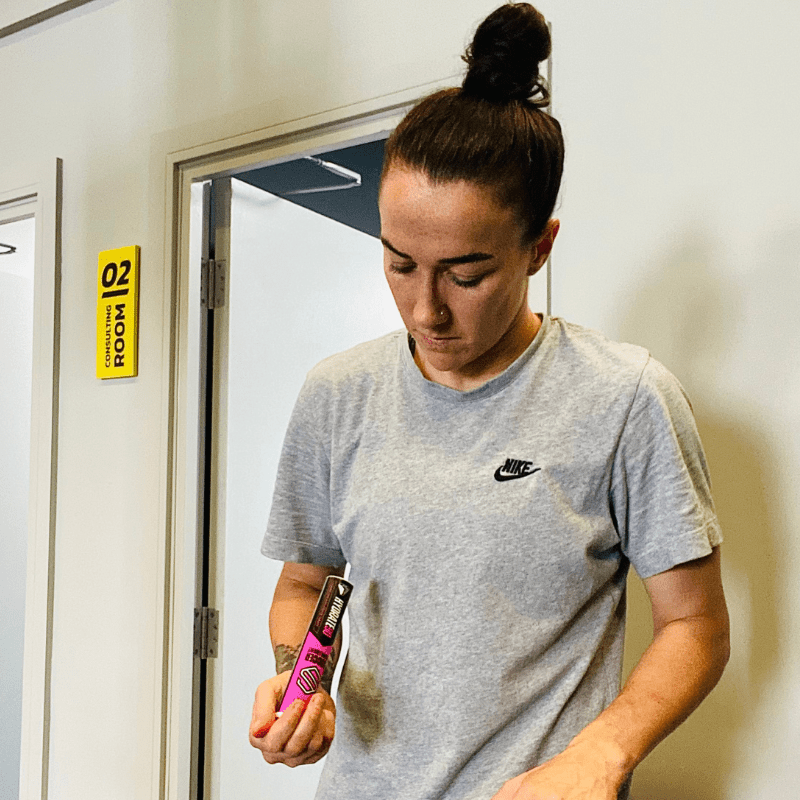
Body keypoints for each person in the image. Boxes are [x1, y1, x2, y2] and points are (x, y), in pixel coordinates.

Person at [249, 3, 730, 799]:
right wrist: (299, 683)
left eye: (465, 275)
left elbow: (696, 626)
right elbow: (305, 583)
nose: (426, 309)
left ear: (539, 247)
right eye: (399, 263)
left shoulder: (625, 399)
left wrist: (604, 753)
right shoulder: (337, 395)